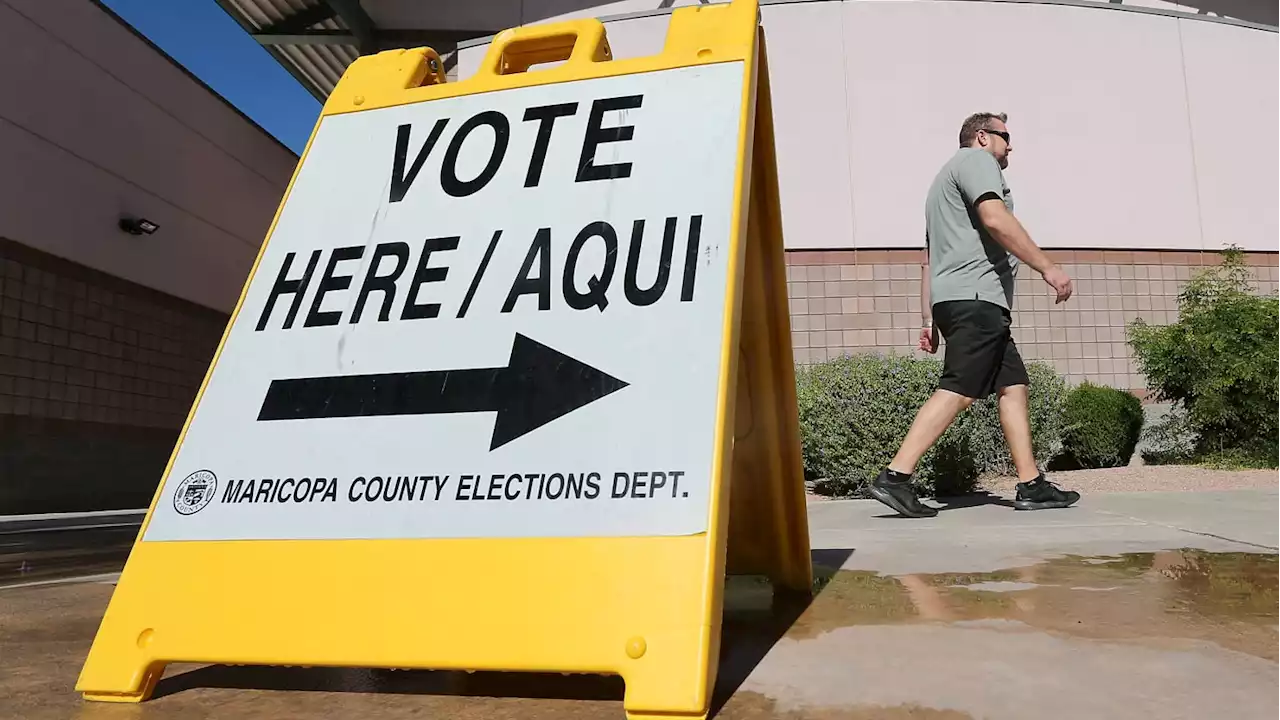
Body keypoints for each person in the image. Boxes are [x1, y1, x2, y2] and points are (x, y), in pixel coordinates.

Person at [867, 112, 1081, 518]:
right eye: (1005, 136)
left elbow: (929, 261)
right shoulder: (975, 161)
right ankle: (895, 477)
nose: (1010, 146)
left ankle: (1031, 484)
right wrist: (1047, 267)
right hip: (977, 299)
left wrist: (929, 319)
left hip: (960, 301)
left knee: (1013, 385)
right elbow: (995, 218)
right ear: (982, 137)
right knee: (960, 387)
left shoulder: (939, 187)